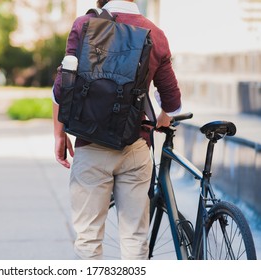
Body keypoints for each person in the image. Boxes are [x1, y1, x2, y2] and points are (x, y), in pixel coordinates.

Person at [52, 0, 182, 260]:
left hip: (91, 146)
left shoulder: (85, 24)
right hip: (135, 146)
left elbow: (61, 89)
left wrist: (59, 134)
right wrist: (163, 117)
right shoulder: (155, 33)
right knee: (134, 238)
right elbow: (173, 103)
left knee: (88, 239)